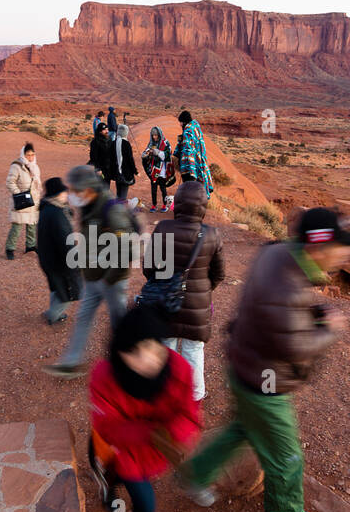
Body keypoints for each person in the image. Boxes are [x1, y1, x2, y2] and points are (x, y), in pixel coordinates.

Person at [178, 208, 350, 512]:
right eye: (340, 248)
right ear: (318, 248)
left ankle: (195, 474)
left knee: (244, 429)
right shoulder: (286, 290)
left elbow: (284, 315)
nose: (345, 255)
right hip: (265, 384)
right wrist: (330, 328)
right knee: (286, 454)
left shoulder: (278, 253)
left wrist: (313, 308)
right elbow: (294, 348)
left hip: (245, 367)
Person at [88, 306, 202, 512]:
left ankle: (107, 480)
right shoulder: (104, 376)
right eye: (136, 352)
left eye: (153, 347)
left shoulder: (180, 369)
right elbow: (108, 427)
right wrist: (154, 432)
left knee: (124, 480)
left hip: (151, 453)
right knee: (145, 503)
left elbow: (190, 416)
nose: (149, 359)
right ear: (121, 353)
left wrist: (174, 434)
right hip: (123, 452)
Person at [44, 165, 137, 377]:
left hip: (113, 279)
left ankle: (126, 364)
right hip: (94, 276)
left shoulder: (110, 209)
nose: (73, 195)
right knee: (84, 317)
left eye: (76, 190)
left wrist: (110, 278)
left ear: (89, 188)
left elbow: (129, 247)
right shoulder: (89, 205)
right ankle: (72, 362)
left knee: (119, 323)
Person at [144, 181, 224, 402]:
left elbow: (149, 267)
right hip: (197, 307)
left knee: (167, 348)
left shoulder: (163, 229)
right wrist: (203, 290)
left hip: (165, 301)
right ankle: (195, 396)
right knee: (193, 351)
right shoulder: (212, 234)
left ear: (177, 204)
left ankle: (167, 392)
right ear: (203, 207)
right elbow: (218, 274)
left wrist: (163, 284)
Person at [36, 177, 81, 324]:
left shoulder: (48, 208)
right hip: (58, 260)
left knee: (57, 287)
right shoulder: (56, 214)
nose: (66, 195)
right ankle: (53, 315)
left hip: (48, 258)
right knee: (67, 291)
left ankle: (53, 312)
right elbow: (64, 242)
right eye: (63, 192)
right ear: (56, 194)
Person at [5, 142, 41, 259]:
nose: (30, 157)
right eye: (27, 155)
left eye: (32, 155)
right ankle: (10, 248)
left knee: (32, 225)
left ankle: (30, 246)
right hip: (21, 200)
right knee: (17, 226)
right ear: (23, 155)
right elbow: (10, 182)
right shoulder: (16, 166)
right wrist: (18, 194)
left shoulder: (35, 166)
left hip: (33, 200)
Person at [176, 110, 214, 196]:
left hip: (190, 164)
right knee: (197, 184)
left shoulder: (188, 131)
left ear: (184, 121)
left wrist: (189, 166)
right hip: (199, 160)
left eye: (181, 122)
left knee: (189, 186)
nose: (180, 124)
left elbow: (188, 149)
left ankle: (190, 204)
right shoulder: (195, 127)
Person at [142, 126, 176, 211]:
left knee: (162, 188)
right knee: (153, 188)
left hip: (162, 170)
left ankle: (164, 205)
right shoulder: (152, 143)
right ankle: (154, 205)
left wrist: (159, 152)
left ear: (159, 135)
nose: (154, 137)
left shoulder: (165, 143)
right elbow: (147, 150)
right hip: (153, 169)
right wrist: (145, 154)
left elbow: (168, 154)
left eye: (156, 135)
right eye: (153, 135)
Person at [112, 123, 138, 203]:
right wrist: (135, 171)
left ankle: (117, 208)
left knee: (118, 193)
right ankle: (120, 211)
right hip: (126, 173)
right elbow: (130, 159)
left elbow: (111, 159)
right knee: (123, 195)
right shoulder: (126, 144)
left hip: (116, 173)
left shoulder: (113, 143)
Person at [88, 120, 113, 192]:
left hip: (108, 168)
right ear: (100, 131)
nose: (107, 131)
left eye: (107, 129)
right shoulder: (95, 142)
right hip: (100, 169)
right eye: (104, 130)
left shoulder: (109, 140)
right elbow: (93, 157)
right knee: (99, 188)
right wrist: (98, 168)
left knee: (106, 187)